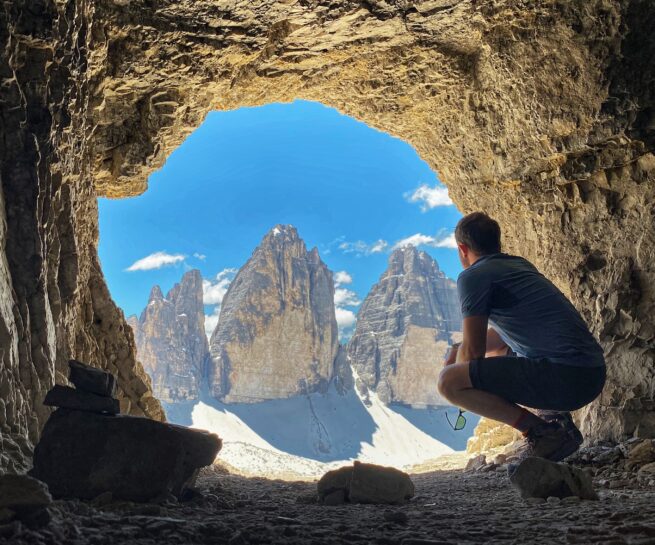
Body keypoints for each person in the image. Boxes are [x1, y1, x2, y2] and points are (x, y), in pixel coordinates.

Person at [438, 212, 606, 464]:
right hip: (591, 373)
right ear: (497, 242)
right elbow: (502, 337)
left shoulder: (473, 276)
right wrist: (457, 347)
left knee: (448, 382)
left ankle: (544, 433)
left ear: (462, 249)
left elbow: (473, 353)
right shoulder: (519, 265)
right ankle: (555, 419)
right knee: (503, 352)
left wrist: (459, 375)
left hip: (568, 376)